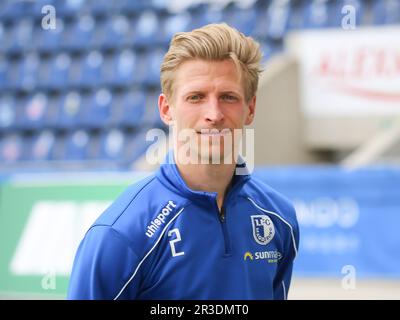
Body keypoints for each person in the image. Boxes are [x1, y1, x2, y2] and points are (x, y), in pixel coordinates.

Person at [68, 23, 299, 300]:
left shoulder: (279, 218)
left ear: (250, 109)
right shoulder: (121, 235)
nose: (213, 114)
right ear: (167, 109)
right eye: (195, 97)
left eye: (228, 97)